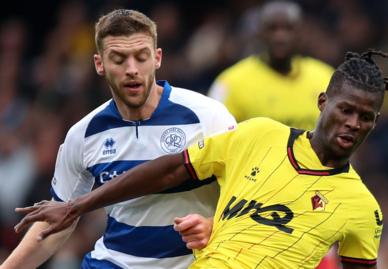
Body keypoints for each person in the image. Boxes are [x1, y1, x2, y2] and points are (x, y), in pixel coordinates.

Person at [12, 50, 388, 268]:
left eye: (365, 118)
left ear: (375, 124)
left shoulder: (362, 209)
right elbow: (171, 169)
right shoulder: (258, 135)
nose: (353, 123)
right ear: (324, 102)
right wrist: (78, 205)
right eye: (346, 110)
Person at [1, 9, 236, 269]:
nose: (132, 69)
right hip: (113, 263)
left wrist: (214, 226)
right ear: (99, 64)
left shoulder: (206, 116)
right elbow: (58, 219)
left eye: (141, 57)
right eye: (119, 59)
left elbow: (252, 194)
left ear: (157, 58)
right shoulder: (84, 133)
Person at [208, 0, 334, 130]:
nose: (280, 36)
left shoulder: (326, 78)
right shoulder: (230, 84)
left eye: (288, 28)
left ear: (300, 33)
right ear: (260, 33)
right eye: (272, 28)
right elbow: (213, 134)